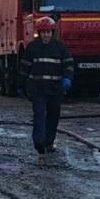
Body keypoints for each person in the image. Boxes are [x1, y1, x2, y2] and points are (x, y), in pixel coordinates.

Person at [18, 16, 75, 155]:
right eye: (43, 32)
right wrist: (20, 85)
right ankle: (39, 142)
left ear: (52, 32)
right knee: (39, 115)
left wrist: (67, 79)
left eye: (48, 32)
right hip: (38, 89)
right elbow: (24, 68)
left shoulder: (60, 48)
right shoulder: (32, 48)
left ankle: (49, 142)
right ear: (39, 32)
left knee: (53, 117)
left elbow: (68, 65)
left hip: (55, 90)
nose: (46, 35)